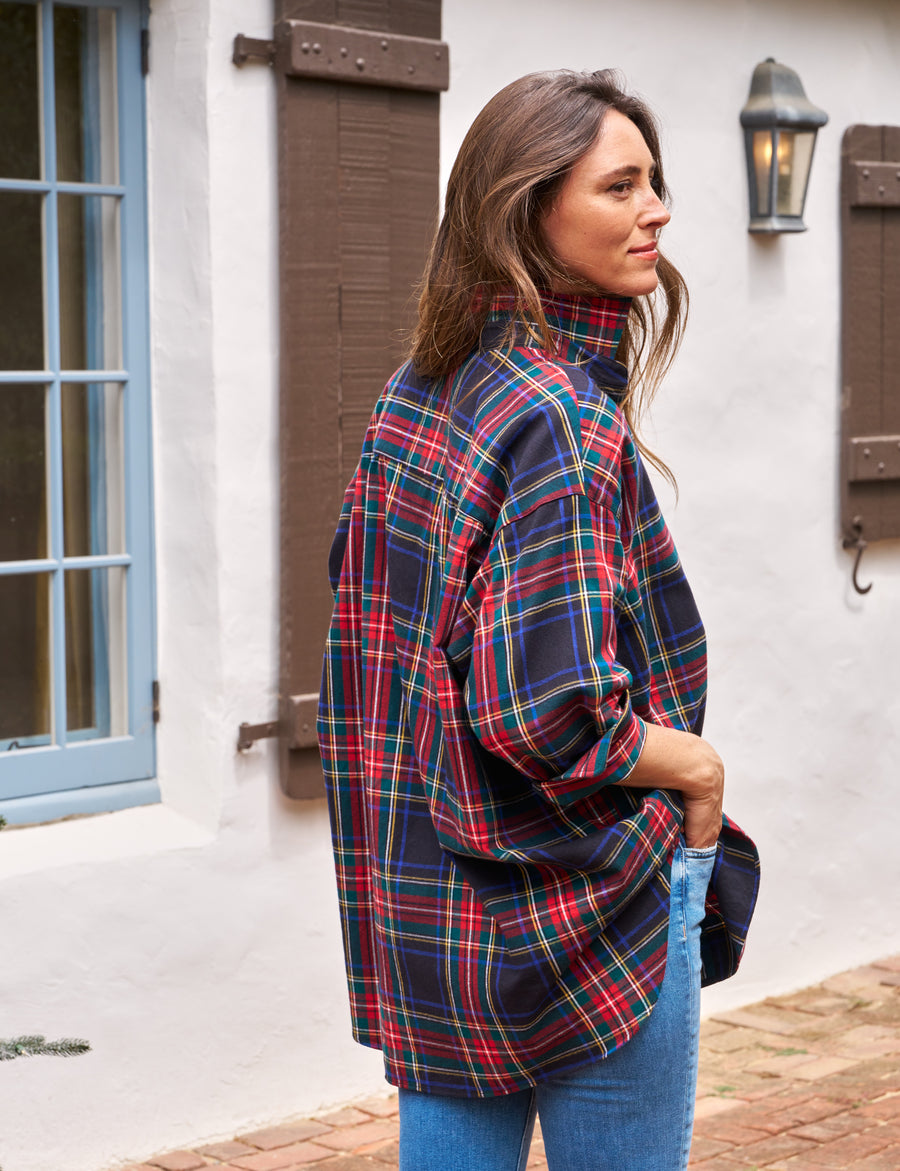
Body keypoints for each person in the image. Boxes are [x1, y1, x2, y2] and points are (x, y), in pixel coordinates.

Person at [318, 69, 760, 1171]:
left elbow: (379, 667)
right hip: (586, 909)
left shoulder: (421, 388)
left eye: (654, 180)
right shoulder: (557, 416)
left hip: (435, 914)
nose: (656, 208)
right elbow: (547, 714)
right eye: (620, 185)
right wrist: (697, 773)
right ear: (527, 209)